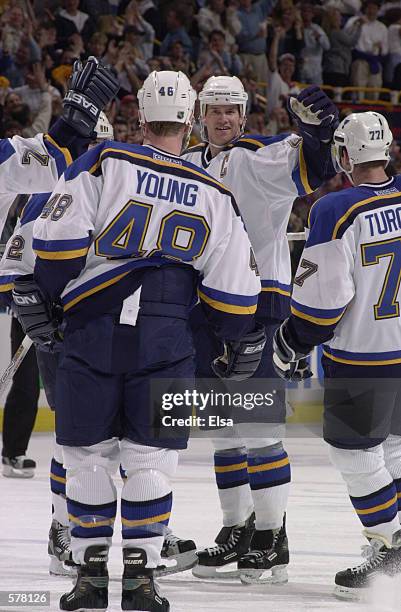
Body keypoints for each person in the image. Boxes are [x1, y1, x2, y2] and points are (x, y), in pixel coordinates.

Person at [12, 70, 265, 612]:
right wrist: (230, 338)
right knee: (151, 463)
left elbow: (56, 249)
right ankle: (143, 580)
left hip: (94, 330)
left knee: (87, 460)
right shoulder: (216, 194)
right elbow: (235, 298)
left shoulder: (104, 162)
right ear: (193, 118)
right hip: (167, 339)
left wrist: (53, 303)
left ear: (138, 116)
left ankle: (90, 578)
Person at [182, 75, 339, 583]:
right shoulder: (185, 164)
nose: (223, 118)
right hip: (203, 309)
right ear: (198, 116)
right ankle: (238, 529)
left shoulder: (256, 157)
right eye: (214, 110)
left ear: (244, 114)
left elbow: (311, 164)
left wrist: (318, 132)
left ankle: (274, 537)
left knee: (261, 430)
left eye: (231, 110)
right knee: (223, 432)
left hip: (257, 306)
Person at [272, 111, 401, 599]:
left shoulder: (334, 209)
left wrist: (295, 338)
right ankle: (391, 552)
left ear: (345, 156)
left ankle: (389, 549)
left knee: (354, 453)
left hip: (363, 356)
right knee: (393, 450)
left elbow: (322, 302)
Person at [0, 56, 119, 234]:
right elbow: (52, 159)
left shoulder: (119, 194)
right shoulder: (45, 199)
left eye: (100, 144)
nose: (93, 151)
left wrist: (73, 127)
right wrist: (73, 126)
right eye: (91, 142)